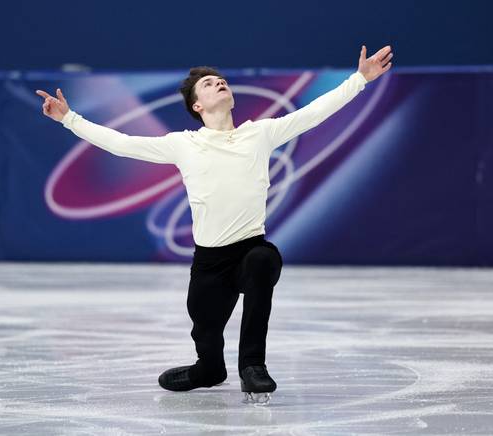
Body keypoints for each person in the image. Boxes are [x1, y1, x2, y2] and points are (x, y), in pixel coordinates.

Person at [36, 45, 393, 404]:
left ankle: (252, 366)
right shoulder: (183, 145)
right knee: (205, 332)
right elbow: (122, 143)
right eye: (208, 84)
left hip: (250, 249)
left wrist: (359, 79)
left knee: (263, 260)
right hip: (209, 261)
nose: (219, 83)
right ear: (197, 106)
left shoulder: (261, 133)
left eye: (221, 80)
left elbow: (314, 113)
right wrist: (69, 118)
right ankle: (208, 370)